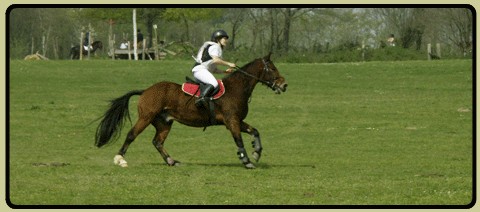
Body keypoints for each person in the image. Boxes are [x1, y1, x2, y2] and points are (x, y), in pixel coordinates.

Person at [191, 29, 236, 108]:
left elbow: (213, 69)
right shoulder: (216, 46)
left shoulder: (214, 47)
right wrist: (229, 63)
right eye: (224, 39)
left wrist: (224, 71)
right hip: (200, 70)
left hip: (199, 71)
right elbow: (216, 60)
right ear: (218, 39)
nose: (226, 41)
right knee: (214, 83)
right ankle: (201, 99)